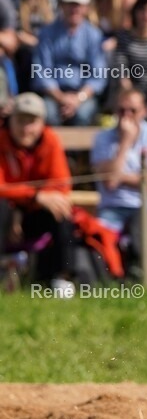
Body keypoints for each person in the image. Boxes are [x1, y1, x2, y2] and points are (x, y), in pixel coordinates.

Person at [0, 92, 75, 287]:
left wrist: (32, 200)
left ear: (42, 123)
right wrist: (34, 196)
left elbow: (61, 185)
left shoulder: (51, 141)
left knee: (61, 210)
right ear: (10, 121)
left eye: (31, 121)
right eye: (20, 120)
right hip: (6, 213)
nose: (26, 128)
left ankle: (61, 278)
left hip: (33, 213)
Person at [90, 88, 147, 234]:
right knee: (98, 236)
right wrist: (125, 142)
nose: (126, 116)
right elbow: (110, 182)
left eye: (133, 111)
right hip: (113, 208)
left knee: (146, 234)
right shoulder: (102, 138)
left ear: (144, 111)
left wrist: (121, 176)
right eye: (122, 110)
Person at [32, 0, 107, 127]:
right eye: (70, 3)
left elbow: (98, 75)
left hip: (83, 95)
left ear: (86, 7)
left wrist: (78, 98)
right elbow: (41, 71)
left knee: (83, 114)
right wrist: (60, 97)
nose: (74, 9)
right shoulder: (46, 34)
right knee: (49, 114)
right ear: (61, 5)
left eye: (78, 4)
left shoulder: (93, 35)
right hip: (53, 94)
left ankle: (80, 151)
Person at [8, 0, 58, 96]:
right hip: (22, 51)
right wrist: (34, 42)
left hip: (52, 49)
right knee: (28, 56)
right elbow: (11, 29)